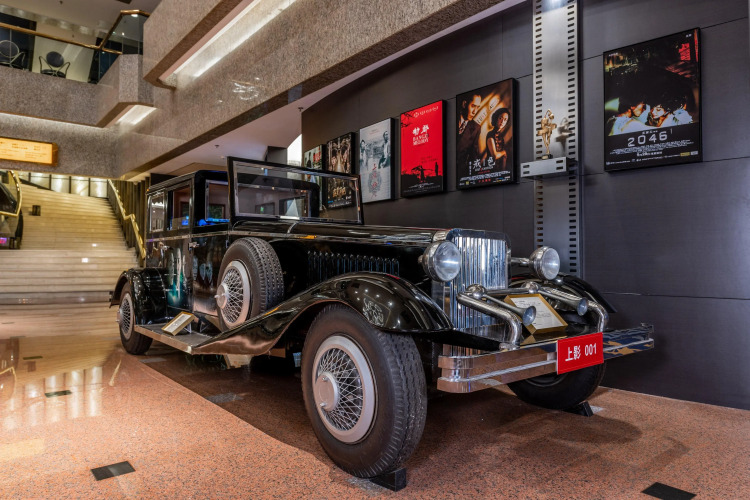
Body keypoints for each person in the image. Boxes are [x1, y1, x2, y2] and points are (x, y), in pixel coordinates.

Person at [457, 94, 482, 169]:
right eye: (473, 106)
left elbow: (474, 155)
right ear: (464, 104)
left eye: (477, 107)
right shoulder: (451, 118)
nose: (475, 112)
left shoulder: (476, 128)